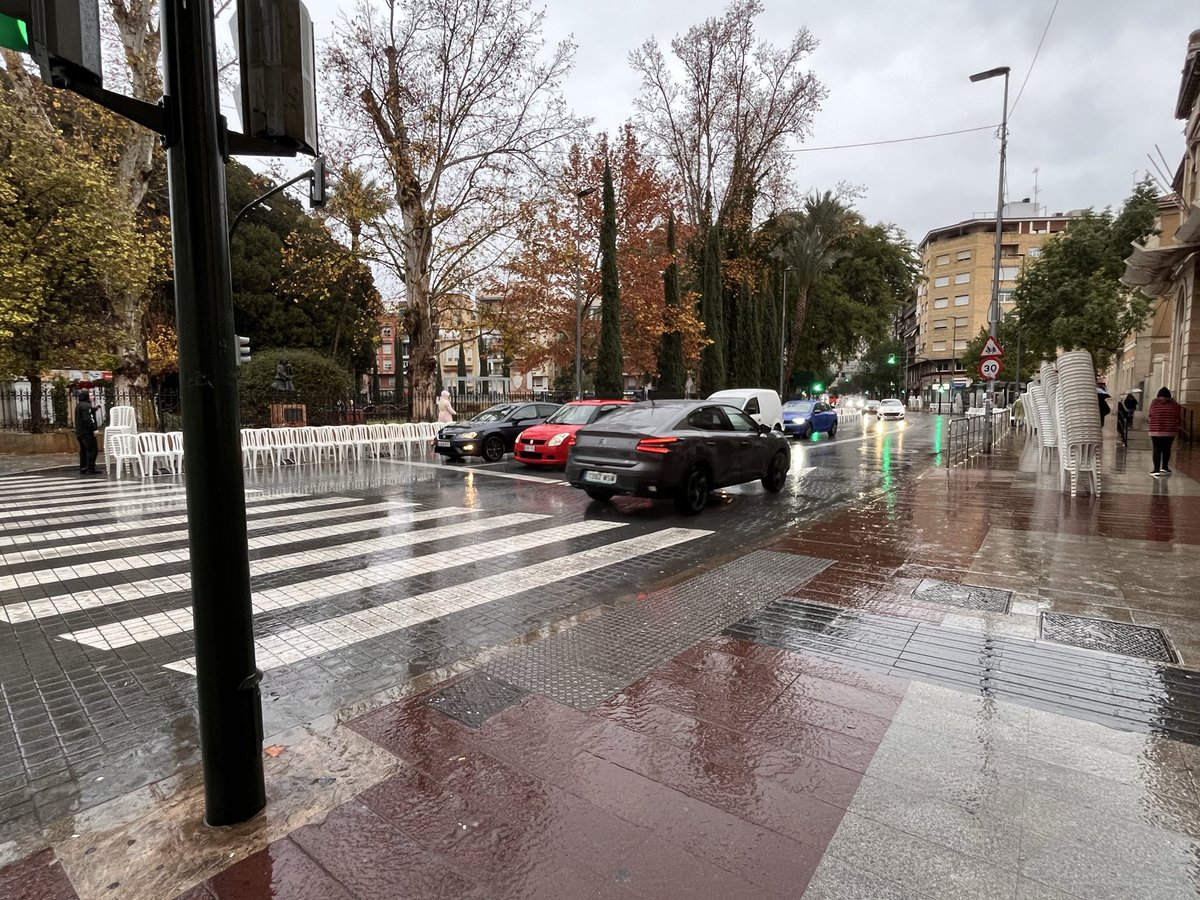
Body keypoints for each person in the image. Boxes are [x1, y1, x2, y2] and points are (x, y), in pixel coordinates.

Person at [1147, 386, 1183, 477]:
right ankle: (1165, 467)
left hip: (1155, 429)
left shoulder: (1154, 403)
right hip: (1170, 430)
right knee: (1167, 448)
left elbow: (1150, 414)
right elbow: (1178, 414)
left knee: (1157, 449)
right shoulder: (1174, 404)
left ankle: (1156, 470)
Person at [74, 388, 100, 475]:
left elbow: (87, 413)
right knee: (92, 450)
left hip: (80, 432)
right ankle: (90, 468)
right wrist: (94, 429)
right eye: (91, 395)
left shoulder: (80, 405)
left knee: (84, 450)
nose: (92, 396)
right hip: (87, 432)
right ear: (86, 397)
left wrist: (94, 409)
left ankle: (83, 467)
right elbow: (88, 419)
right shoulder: (86, 406)